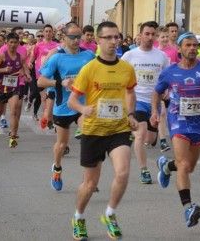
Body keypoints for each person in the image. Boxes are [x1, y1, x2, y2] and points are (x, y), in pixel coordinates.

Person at [67, 21, 138, 240]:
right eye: (108, 38)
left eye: (117, 37)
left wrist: (131, 114)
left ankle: (110, 213)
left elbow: (130, 92)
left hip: (118, 129)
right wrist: (83, 108)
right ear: (98, 40)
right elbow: (72, 101)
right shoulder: (90, 69)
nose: (114, 42)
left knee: (123, 172)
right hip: (93, 131)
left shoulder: (126, 68)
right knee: (90, 184)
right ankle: (78, 217)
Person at [151, 32, 200, 228]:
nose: (192, 48)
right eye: (188, 45)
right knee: (183, 164)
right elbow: (157, 92)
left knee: (188, 167)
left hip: (199, 123)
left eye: (195, 45)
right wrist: (154, 111)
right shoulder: (170, 72)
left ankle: (166, 166)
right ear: (180, 48)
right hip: (178, 122)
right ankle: (188, 207)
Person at [38, 22, 95, 191]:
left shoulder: (89, 55)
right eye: (73, 37)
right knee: (62, 145)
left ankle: (88, 178)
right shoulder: (57, 57)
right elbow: (40, 81)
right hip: (63, 106)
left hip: (82, 105)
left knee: (88, 138)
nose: (77, 40)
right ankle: (57, 168)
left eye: (79, 36)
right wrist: (59, 82)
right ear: (64, 37)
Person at [121, 21, 169, 184]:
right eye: (146, 34)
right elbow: (121, 78)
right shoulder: (129, 56)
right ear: (140, 35)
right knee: (141, 135)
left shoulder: (161, 56)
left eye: (152, 34)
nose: (149, 37)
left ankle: (159, 161)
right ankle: (144, 170)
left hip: (154, 103)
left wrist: (167, 91)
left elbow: (166, 78)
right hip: (137, 100)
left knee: (150, 139)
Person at [0, 32, 31, 148]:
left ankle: (13, 137)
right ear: (7, 43)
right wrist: (3, 70)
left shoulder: (20, 57)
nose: (13, 45)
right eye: (11, 42)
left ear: (18, 44)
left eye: (15, 43)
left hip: (14, 88)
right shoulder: (2, 55)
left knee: (14, 112)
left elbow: (26, 68)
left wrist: (27, 75)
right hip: (1, 88)